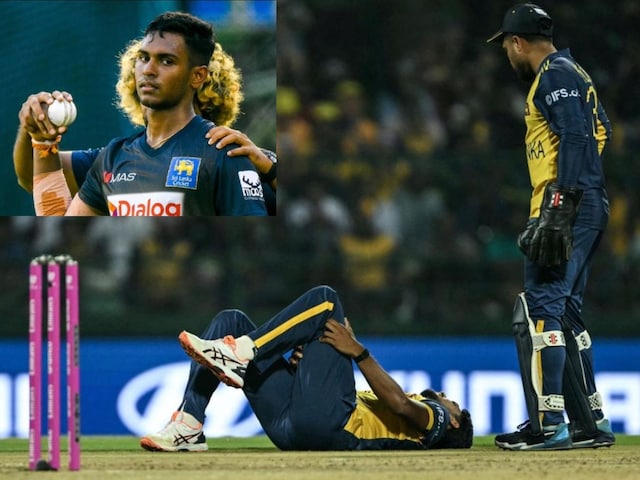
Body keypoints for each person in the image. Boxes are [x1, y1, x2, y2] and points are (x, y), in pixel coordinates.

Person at [487, 3, 615, 450]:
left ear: (518, 42)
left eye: (507, 46)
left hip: (565, 207)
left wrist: (560, 203)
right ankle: (589, 423)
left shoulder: (554, 75)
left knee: (541, 307)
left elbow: (578, 135)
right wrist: (583, 188)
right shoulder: (575, 72)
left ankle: (549, 422)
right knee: (567, 312)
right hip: (588, 203)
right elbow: (602, 131)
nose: (507, 54)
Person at [140, 285, 473, 451]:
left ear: (455, 420)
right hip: (294, 426)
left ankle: (242, 352)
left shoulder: (437, 421)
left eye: (453, 403)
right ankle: (188, 425)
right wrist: (303, 373)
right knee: (231, 321)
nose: (446, 396)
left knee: (326, 300)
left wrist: (358, 352)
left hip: (332, 429)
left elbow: (399, 403)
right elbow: (345, 395)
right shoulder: (389, 408)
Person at [30, 12, 268, 216]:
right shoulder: (112, 157)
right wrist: (43, 142)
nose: (149, 70)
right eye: (143, 58)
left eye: (167, 61)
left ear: (197, 76)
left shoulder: (224, 152)